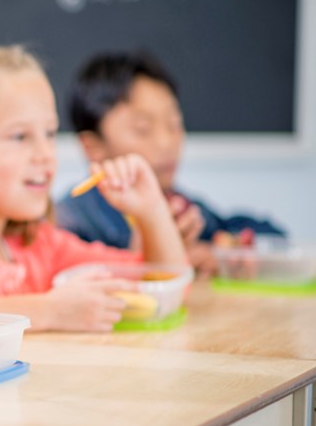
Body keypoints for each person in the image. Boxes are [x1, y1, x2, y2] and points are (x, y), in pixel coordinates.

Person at [0, 44, 189, 331]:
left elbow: (163, 285)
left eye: (50, 133)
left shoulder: (39, 243)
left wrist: (151, 210)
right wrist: (49, 310)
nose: (45, 154)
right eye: (20, 137)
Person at [56, 51, 285, 275]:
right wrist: (149, 254)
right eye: (142, 129)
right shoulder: (72, 220)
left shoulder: (181, 207)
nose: (167, 143)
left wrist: (222, 252)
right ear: (92, 146)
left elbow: (273, 236)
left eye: (174, 124)